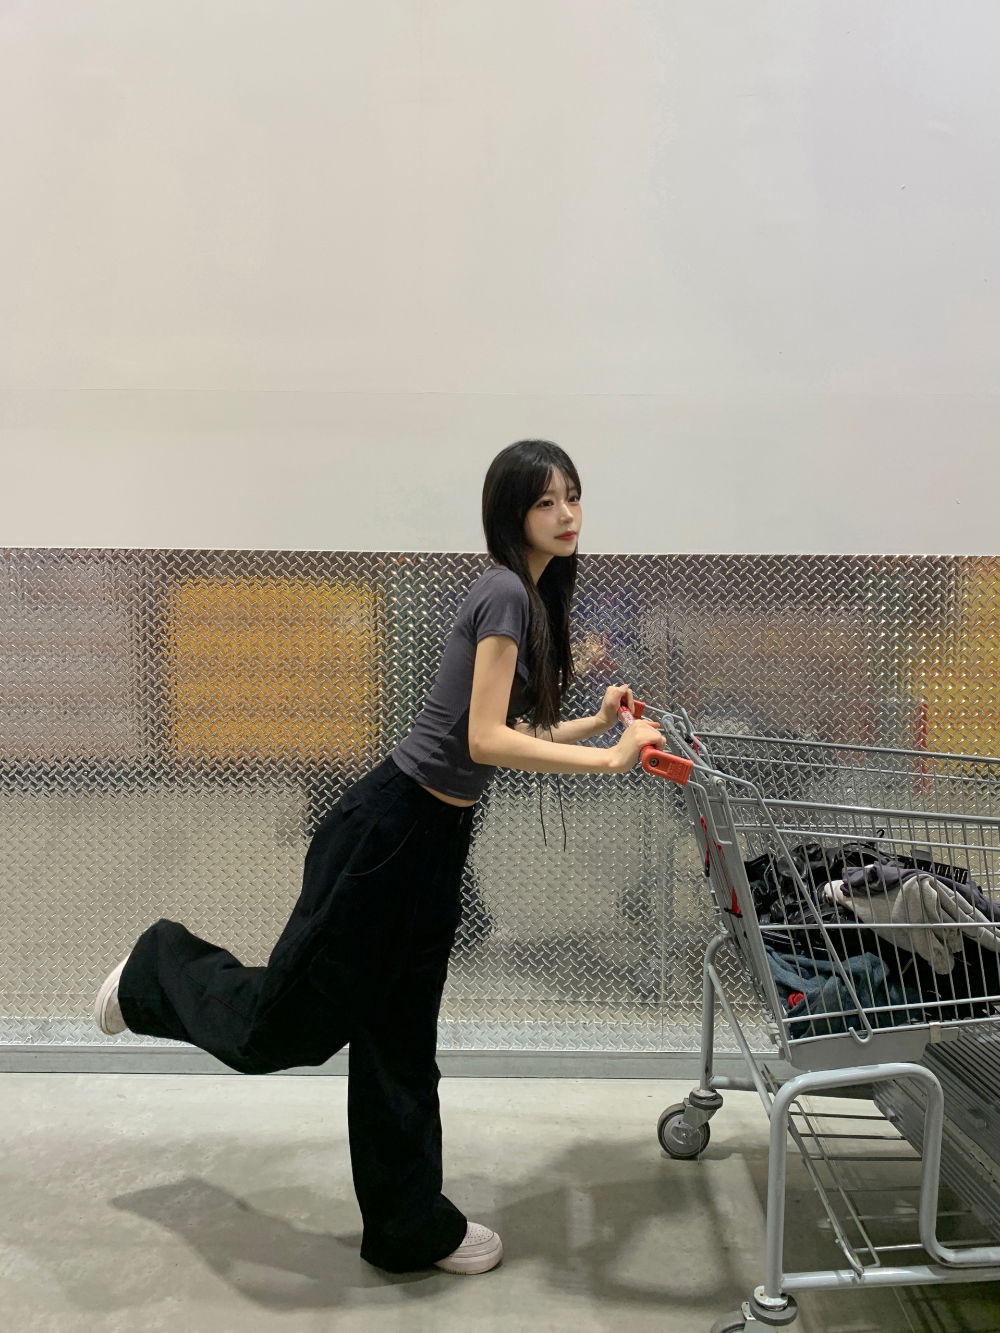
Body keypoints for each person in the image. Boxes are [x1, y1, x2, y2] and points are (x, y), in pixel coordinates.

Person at [93, 439, 667, 1276]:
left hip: (434, 843)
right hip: (387, 835)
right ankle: (156, 967)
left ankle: (408, 1225)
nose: (567, 514)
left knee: (400, 1039)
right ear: (511, 513)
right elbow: (484, 738)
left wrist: (599, 724)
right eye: (546, 501)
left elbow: (503, 733)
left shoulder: (530, 599)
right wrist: (611, 759)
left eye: (573, 496)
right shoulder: (506, 591)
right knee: (282, 1028)